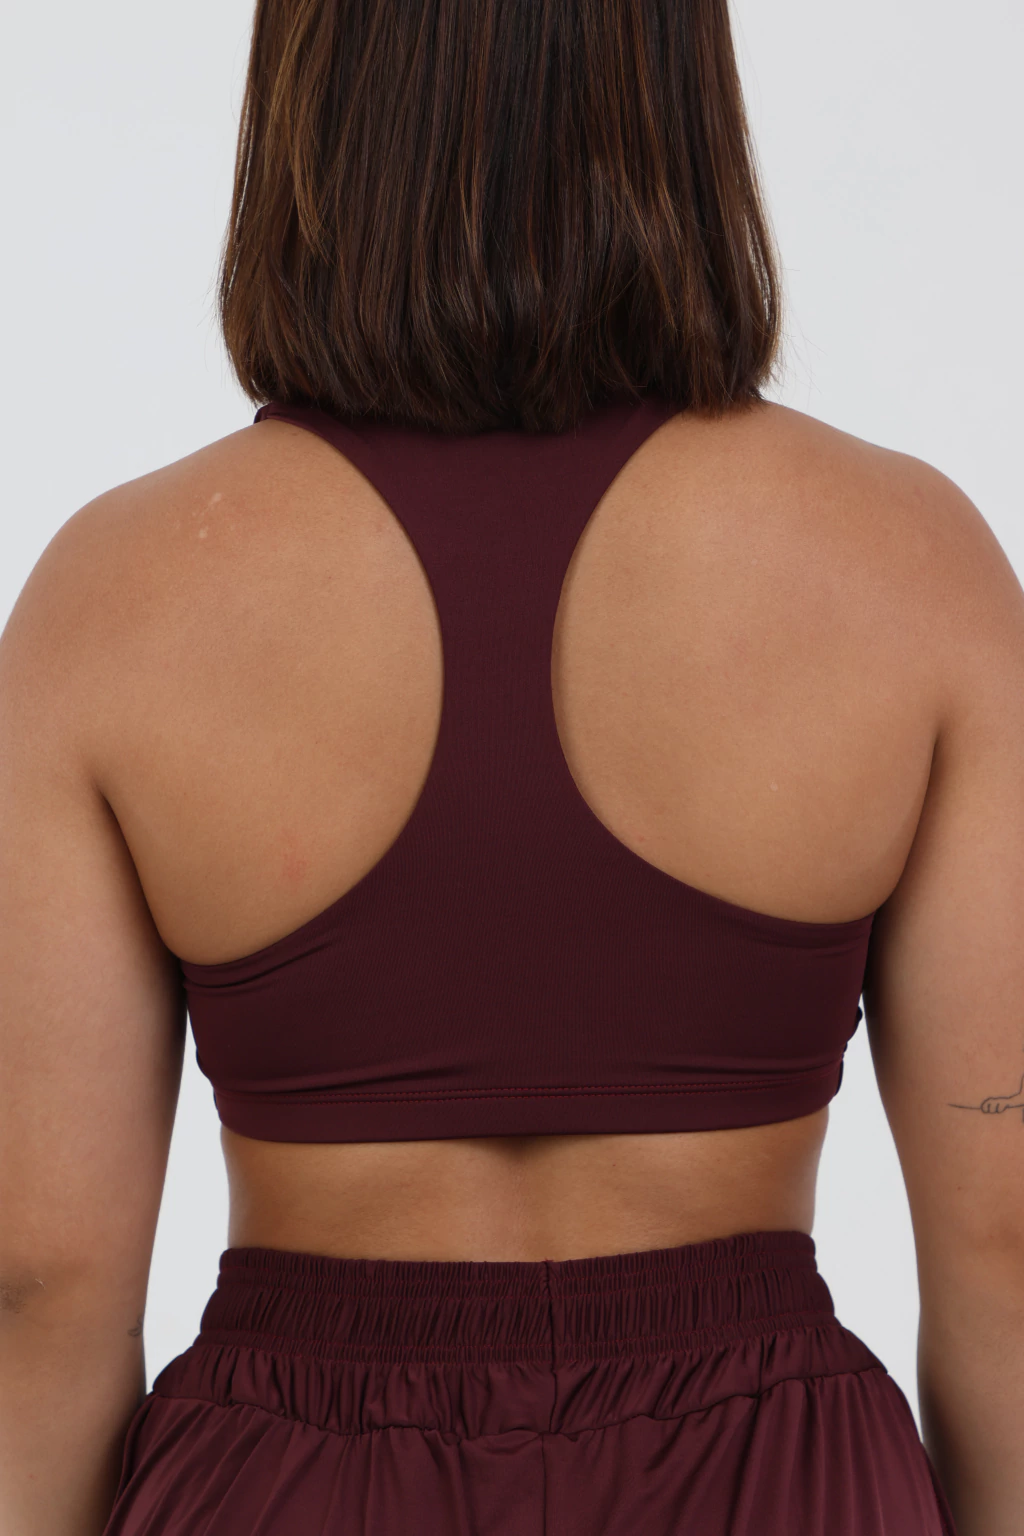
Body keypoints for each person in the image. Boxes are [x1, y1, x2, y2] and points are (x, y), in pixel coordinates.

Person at [2, 0, 1022, 1532]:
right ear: (677, 92)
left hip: (289, 1483)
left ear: (313, 103)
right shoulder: (908, 565)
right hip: (775, 1483)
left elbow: (38, 1277)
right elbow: (1009, 1239)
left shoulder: (119, 596)